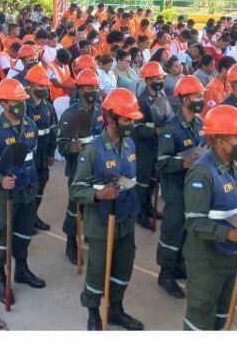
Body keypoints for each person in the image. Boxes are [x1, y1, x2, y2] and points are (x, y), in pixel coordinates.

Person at [71, 88, 145, 331]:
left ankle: (116, 308)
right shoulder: (93, 150)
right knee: (98, 269)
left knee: (124, 265)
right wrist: (98, 194)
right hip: (102, 223)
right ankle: (93, 312)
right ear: (111, 119)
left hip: (125, 218)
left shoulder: (130, 144)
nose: (131, 124)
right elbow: (76, 189)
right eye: (126, 120)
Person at [182, 105, 237, 331]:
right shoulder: (202, 173)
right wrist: (232, 234)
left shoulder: (236, 165)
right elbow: (194, 222)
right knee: (201, 316)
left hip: (231, 254)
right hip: (207, 259)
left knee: (222, 315)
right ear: (218, 139)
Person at [0, 78, 46, 305]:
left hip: (27, 190)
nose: (21, 105)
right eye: (16, 101)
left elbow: (31, 156)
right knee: (1, 237)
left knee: (24, 233)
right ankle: (0, 275)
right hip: (5, 195)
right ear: (4, 103)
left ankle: (22, 269)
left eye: (22, 100)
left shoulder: (30, 125)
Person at [155, 76, 206, 299]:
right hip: (176, 191)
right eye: (197, 96)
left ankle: (178, 264)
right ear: (185, 99)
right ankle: (165, 273)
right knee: (172, 233)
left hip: (193, 190)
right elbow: (162, 162)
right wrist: (183, 163)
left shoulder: (200, 123)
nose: (201, 100)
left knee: (186, 231)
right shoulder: (171, 129)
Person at [57, 68, 104, 263]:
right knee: (75, 206)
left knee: (93, 203)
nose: (93, 91)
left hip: (98, 166)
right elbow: (61, 144)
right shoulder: (70, 114)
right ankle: (71, 242)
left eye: (95, 87)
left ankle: (89, 233)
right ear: (80, 90)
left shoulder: (102, 111)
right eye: (89, 88)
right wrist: (70, 147)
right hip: (78, 168)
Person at [134, 61, 174, 229]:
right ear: (148, 80)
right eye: (157, 78)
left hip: (159, 147)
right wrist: (155, 131)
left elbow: (169, 116)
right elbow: (136, 128)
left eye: (161, 77)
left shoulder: (162, 97)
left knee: (153, 181)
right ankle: (140, 212)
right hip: (144, 149)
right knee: (142, 183)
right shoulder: (141, 101)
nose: (160, 81)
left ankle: (149, 207)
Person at [22, 65, 58, 232]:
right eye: (40, 85)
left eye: (45, 86)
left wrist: (51, 153)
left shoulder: (48, 107)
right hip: (28, 159)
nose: (44, 89)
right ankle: (25, 220)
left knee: (40, 187)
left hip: (43, 157)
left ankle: (33, 216)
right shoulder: (23, 107)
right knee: (28, 190)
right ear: (30, 85)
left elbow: (53, 131)